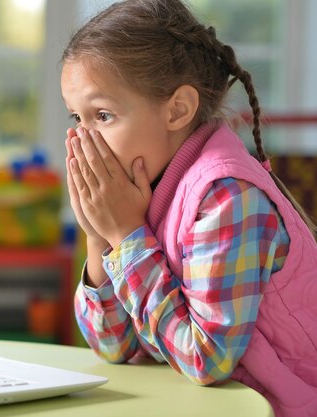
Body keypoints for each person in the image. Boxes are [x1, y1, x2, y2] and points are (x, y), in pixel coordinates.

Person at [60, 1, 317, 416]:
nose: (83, 140)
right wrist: (100, 235)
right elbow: (114, 347)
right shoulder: (146, 190)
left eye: (102, 115)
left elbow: (207, 359)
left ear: (177, 110)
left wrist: (126, 236)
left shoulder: (226, 197)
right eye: (76, 116)